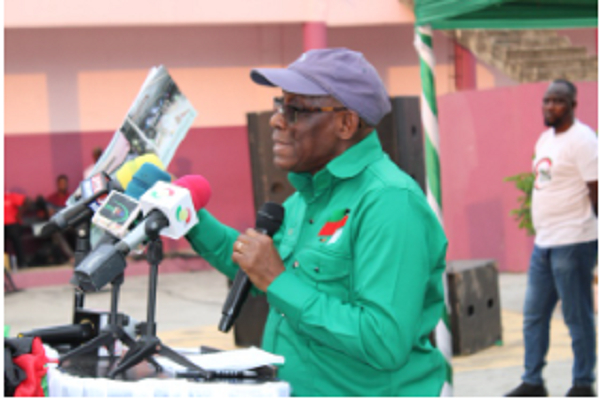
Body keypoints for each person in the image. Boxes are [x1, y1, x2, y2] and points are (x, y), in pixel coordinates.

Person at [186, 48, 448, 396]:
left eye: (295, 110)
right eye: (280, 105)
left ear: (345, 123)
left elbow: (384, 340)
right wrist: (186, 216)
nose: (276, 120)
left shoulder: (390, 202)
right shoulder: (308, 198)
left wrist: (277, 281)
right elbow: (254, 266)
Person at [506, 80, 598, 397]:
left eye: (558, 101)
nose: (550, 106)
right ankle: (533, 381)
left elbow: (595, 189)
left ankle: (583, 383)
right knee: (534, 314)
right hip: (544, 242)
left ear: (573, 105)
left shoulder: (583, 140)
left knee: (576, 315)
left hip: (574, 240)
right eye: (546, 100)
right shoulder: (546, 139)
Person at [46, 174, 75, 263]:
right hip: (58, 224)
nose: (62, 185)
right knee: (56, 233)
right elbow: (50, 213)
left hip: (71, 223)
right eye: (61, 183)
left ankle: (84, 253)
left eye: (64, 183)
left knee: (81, 228)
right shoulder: (52, 198)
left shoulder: (71, 197)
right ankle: (71, 256)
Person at [4, 191, 28, 268]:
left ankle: (22, 263)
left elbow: (28, 201)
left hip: (13, 224)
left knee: (16, 239)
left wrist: (20, 213)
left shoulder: (9, 196)